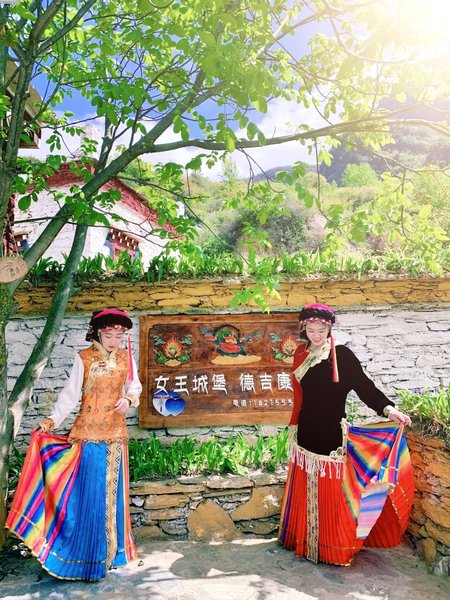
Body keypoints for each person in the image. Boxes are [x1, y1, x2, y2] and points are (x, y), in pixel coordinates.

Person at [6, 308, 142, 581]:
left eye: (119, 336)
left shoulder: (125, 358)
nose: (114, 340)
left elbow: (134, 386)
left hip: (116, 436)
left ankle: (113, 554)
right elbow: (69, 395)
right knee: (90, 495)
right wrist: (51, 421)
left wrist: (128, 399)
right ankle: (86, 559)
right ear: (98, 333)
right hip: (88, 435)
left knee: (114, 496)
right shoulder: (84, 357)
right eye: (109, 335)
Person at [278, 303, 414, 566]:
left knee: (333, 495)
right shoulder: (300, 355)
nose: (316, 335)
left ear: (329, 328)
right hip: (306, 432)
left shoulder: (341, 355)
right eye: (311, 330)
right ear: (303, 329)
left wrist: (389, 409)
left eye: (321, 330)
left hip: (332, 435)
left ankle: (330, 548)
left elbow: (364, 387)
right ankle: (306, 544)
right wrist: (293, 427)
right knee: (307, 489)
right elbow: (299, 398)